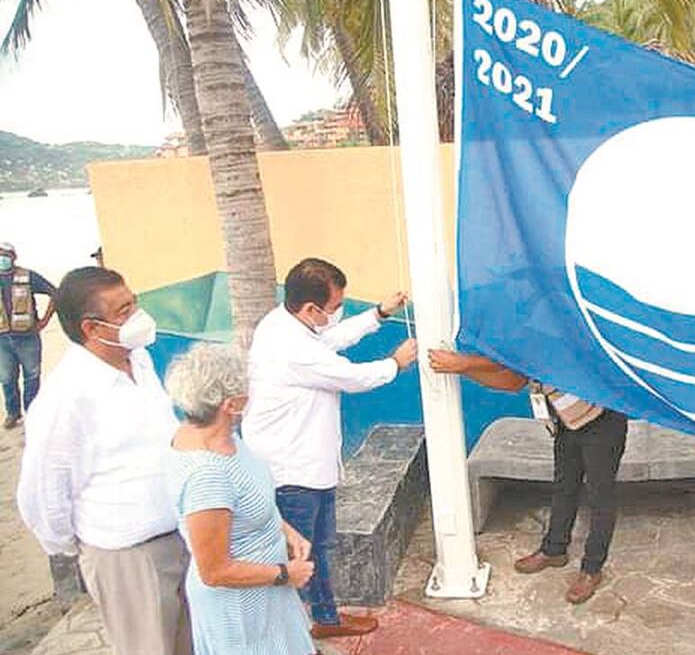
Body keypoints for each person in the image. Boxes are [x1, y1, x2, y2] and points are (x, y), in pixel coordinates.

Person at [16, 266, 192, 655]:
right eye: (124, 311)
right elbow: (43, 492)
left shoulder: (140, 361)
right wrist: (75, 546)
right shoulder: (66, 397)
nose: (137, 317)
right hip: (127, 555)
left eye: (135, 303)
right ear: (92, 329)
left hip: (179, 535)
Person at [242, 258, 417, 639]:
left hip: (308, 462)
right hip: (290, 470)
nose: (336, 314)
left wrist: (379, 314)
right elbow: (350, 377)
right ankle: (298, 630)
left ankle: (324, 618)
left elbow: (330, 338)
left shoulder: (289, 322)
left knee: (319, 547)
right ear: (310, 308)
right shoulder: (290, 345)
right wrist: (395, 363)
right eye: (335, 307)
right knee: (301, 555)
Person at [428, 349, 627, 605]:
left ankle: (591, 569)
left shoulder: (560, 330)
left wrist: (464, 363)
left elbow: (518, 360)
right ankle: (554, 550)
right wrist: (464, 369)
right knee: (564, 486)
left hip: (603, 420)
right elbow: (513, 380)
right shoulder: (531, 333)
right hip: (567, 421)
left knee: (601, 498)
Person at [165, 342, 317, 655]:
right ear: (231, 405)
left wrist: (284, 530)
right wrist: (286, 573)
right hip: (240, 611)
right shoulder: (206, 475)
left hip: (267, 597)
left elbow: (246, 497)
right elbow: (215, 570)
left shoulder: (223, 436)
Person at [0, 242, 56, 429]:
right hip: (1, 339)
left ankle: (33, 413)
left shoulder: (27, 276)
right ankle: (13, 413)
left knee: (32, 375)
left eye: (5, 254)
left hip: (27, 336)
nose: (2, 258)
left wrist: (44, 321)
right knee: (7, 378)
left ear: (14, 257)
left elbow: (54, 293)